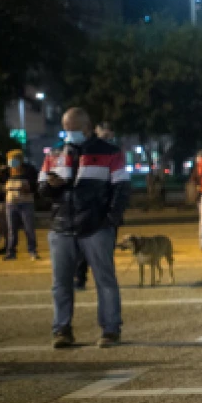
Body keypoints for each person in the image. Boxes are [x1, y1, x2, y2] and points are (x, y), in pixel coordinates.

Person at [39, 108, 129, 348]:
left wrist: (110, 219)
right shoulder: (55, 152)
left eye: (73, 129)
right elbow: (42, 187)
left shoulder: (110, 152)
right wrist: (51, 186)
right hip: (62, 226)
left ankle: (110, 330)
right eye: (65, 129)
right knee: (61, 283)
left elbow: (121, 188)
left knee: (105, 280)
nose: (69, 133)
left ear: (87, 128)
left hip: (96, 226)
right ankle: (62, 330)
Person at [2, 149, 40, 261]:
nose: (12, 161)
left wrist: (28, 188)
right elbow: (0, 183)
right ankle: (11, 252)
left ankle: (32, 251)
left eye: (14, 159)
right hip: (10, 203)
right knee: (11, 229)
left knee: (29, 228)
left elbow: (36, 184)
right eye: (10, 159)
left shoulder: (29, 170)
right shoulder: (5, 171)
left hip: (26, 203)